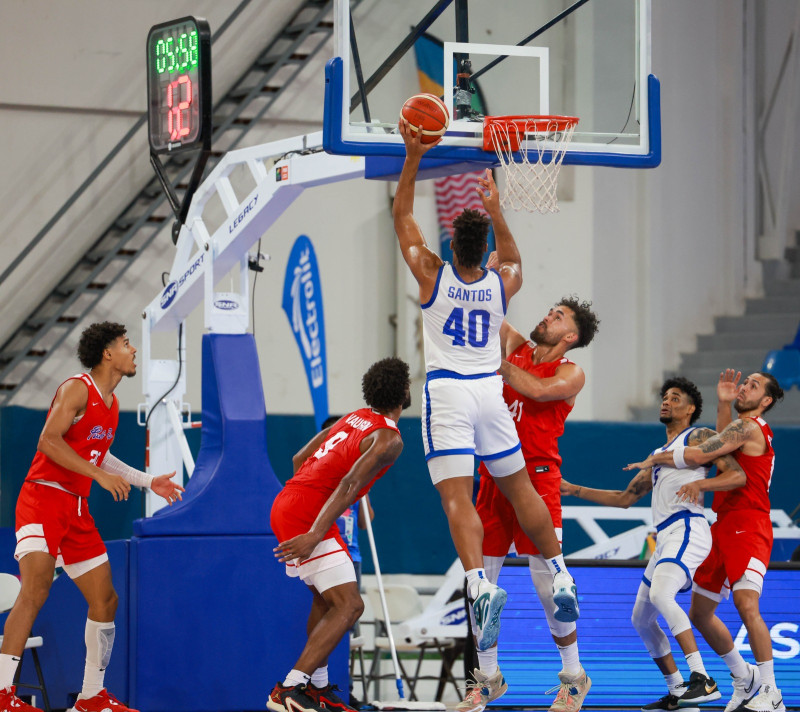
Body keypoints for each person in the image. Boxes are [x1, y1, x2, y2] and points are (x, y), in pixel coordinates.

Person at [392, 120, 579, 656]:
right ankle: (561, 573)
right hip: (491, 394)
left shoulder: (433, 273)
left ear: (453, 247)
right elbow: (515, 259)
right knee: (521, 491)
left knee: (456, 497)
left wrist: (413, 157)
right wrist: (496, 208)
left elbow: (404, 216)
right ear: (486, 250)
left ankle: (478, 586)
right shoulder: (503, 283)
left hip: (449, 392)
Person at [0, 322, 184, 712]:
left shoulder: (112, 404)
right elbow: (48, 441)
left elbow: (102, 456)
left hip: (76, 509)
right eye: (126, 344)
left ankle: (91, 696)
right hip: (44, 499)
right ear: (107, 353)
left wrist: (149, 481)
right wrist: (99, 475)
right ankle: (2, 694)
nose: (133, 350)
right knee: (34, 591)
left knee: (106, 599)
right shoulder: (76, 388)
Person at [565, 377, 748, 712]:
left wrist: (703, 485)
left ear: (691, 408)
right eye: (664, 397)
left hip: (688, 528)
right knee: (640, 618)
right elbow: (624, 499)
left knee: (661, 595)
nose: (666, 401)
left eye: (675, 398)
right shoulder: (657, 455)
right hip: (665, 536)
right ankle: (678, 689)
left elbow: (737, 476)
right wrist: (574, 489)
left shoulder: (700, 436)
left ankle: (702, 679)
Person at [458, 293, 600, 712]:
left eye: (557, 316)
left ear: (570, 335)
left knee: (548, 587)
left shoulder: (570, 372)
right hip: (493, 478)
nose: (547, 316)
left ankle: (574, 678)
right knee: (480, 586)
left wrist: (491, 362)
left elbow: (536, 390)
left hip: (537, 480)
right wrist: (483, 276)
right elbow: (486, 308)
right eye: (549, 311)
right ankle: (487, 680)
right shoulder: (516, 345)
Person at [625, 371, 785, 712]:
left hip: (749, 523)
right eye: (746, 383)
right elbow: (718, 449)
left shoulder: (751, 426)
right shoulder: (738, 427)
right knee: (700, 612)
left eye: (753, 386)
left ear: (766, 401)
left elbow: (701, 455)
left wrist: (660, 460)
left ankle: (771, 691)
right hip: (723, 526)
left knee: (745, 605)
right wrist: (724, 403)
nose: (745, 387)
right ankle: (744, 679)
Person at [268, 358, 411, 712]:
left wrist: (311, 499)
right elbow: (350, 484)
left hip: (291, 499)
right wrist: (315, 531)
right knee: (351, 605)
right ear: (404, 393)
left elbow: (299, 458)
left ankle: (317, 689)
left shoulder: (353, 417)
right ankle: (288, 688)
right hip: (308, 514)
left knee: (327, 601)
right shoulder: (389, 437)